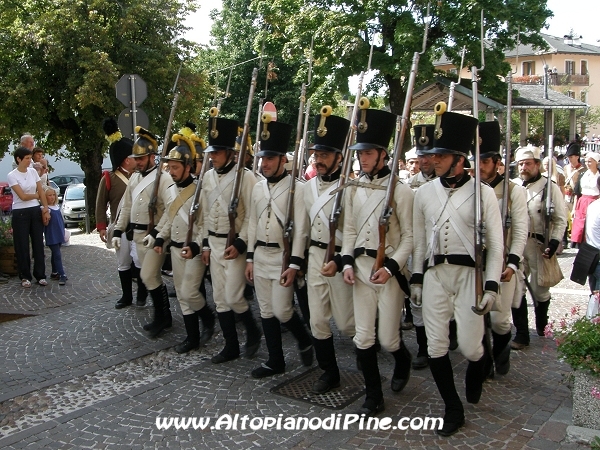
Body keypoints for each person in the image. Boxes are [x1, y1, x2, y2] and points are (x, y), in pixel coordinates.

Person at [411, 105, 504, 436]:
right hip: (436, 275)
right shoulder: (423, 193)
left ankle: (479, 364)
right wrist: (417, 277)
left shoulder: (485, 194)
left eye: (440, 156)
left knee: (469, 347)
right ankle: (452, 407)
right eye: (432, 156)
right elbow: (420, 242)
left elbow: (496, 246)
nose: (432, 161)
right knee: (436, 346)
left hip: (470, 278)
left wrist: (491, 286)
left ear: (459, 157)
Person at [342, 104, 414, 416]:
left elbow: (410, 237)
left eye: (368, 153)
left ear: (383, 154)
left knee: (387, 337)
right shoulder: (354, 187)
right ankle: (373, 396)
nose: (362, 158)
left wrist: (391, 267)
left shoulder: (401, 190)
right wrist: (346, 262)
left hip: (389, 272)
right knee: (364, 335)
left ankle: (403, 359)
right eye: (360, 153)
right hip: (360, 269)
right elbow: (350, 229)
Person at [245, 118, 313, 378]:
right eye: (263, 158)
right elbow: (252, 222)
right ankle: (275, 361)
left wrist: (295, 263)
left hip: (283, 258)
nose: (265, 164)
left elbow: (301, 230)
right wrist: (250, 257)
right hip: (261, 255)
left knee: (283, 309)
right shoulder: (258, 187)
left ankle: (304, 338)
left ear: (283, 159)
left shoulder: (298, 188)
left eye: (271, 159)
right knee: (265, 310)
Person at [200, 114, 262, 364]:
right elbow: (204, 214)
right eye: (211, 153)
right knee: (219, 299)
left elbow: (252, 217)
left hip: (233, 245)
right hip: (214, 244)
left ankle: (254, 331)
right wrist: (205, 244)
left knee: (235, 296)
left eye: (216, 153)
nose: (212, 157)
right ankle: (231, 346)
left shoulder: (245, 178)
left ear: (229, 152)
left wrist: (240, 244)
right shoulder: (207, 177)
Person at [303, 108, 355, 393]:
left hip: (339, 259)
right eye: (316, 155)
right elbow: (301, 229)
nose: (318, 160)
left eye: (324, 155)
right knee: (318, 320)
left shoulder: (350, 188)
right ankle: (329, 372)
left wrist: (339, 258)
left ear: (339, 156)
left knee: (347, 324)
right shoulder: (306, 188)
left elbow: (353, 231)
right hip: (314, 258)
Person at [154, 132, 215, 353]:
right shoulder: (171, 191)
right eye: (169, 168)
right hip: (176, 249)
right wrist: (161, 237)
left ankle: (208, 318)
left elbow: (205, 224)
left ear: (188, 167)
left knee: (190, 292)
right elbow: (170, 220)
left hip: (194, 251)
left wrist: (198, 246)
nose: (171, 172)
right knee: (181, 294)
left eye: (175, 168)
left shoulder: (199, 192)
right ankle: (192, 338)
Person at [112, 127, 174, 338]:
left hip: (154, 237)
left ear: (152, 157)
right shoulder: (135, 179)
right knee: (150, 277)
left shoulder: (163, 179)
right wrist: (118, 230)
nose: (137, 162)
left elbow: (169, 210)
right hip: (136, 236)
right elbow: (126, 208)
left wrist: (157, 233)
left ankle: (161, 317)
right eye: (136, 158)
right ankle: (164, 317)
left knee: (148, 275)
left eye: (141, 158)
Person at [477, 121, 528, 377]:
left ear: (496, 162)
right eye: (478, 160)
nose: (481, 167)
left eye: (485, 161)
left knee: (499, 319)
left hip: (503, 263)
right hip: (478, 263)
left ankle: (501, 352)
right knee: (478, 316)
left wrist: (512, 263)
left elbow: (520, 230)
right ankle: (483, 362)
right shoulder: (472, 188)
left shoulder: (513, 191)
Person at [510, 145, 568, 350]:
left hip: (538, 244)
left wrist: (553, 242)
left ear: (537, 164)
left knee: (540, 290)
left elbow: (561, 219)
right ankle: (522, 333)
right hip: (517, 244)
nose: (523, 167)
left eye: (527, 163)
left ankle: (542, 324)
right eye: (520, 164)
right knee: (517, 288)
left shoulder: (549, 187)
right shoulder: (514, 186)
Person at [95, 118, 145, 309]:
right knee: (123, 262)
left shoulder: (141, 176)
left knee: (139, 260)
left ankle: (141, 293)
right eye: (134, 156)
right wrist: (101, 227)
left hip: (139, 225)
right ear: (126, 159)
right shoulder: (110, 178)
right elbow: (100, 204)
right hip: (120, 226)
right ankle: (126, 296)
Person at [8, 146, 50, 287]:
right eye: (26, 159)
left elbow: (41, 191)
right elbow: (23, 196)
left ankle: (40, 275)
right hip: (20, 211)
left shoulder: (33, 172)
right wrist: (36, 195)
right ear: (18, 159)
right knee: (22, 244)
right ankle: (25, 276)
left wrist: (45, 208)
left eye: (30, 158)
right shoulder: (12, 175)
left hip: (34, 210)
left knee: (38, 243)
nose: (29, 161)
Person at [571, 152, 600, 246]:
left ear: (596, 162)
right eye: (586, 161)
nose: (587, 163)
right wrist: (574, 209)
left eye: (590, 161)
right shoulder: (582, 174)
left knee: (592, 226)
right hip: (582, 203)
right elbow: (577, 193)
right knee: (580, 227)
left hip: (595, 202)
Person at [43, 185, 67, 285]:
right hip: (52, 234)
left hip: (59, 233)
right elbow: (45, 223)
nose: (52, 197)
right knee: (57, 254)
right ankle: (62, 274)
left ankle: (54, 272)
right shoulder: (45, 209)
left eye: (53, 195)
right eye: (49, 195)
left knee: (55, 254)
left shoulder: (57, 207)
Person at [563, 142, 585, 246]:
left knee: (574, 218)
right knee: (564, 217)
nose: (570, 159)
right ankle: (563, 239)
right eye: (569, 157)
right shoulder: (566, 168)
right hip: (566, 196)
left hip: (576, 196)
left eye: (572, 156)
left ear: (577, 157)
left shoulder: (583, 170)